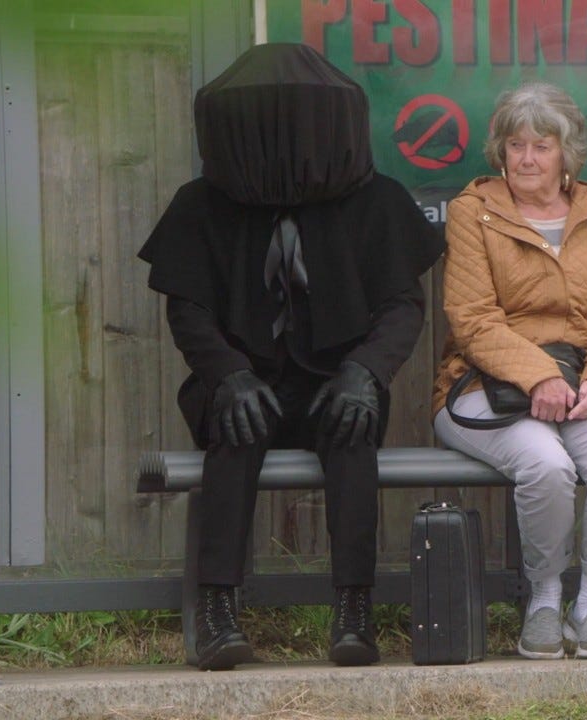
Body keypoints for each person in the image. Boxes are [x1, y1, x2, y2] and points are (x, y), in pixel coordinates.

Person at [139, 44, 444, 670]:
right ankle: (217, 610)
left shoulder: (375, 200)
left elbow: (401, 307)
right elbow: (188, 310)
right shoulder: (202, 205)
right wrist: (228, 375)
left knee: (352, 433)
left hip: (336, 379)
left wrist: (365, 372)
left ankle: (354, 609)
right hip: (242, 379)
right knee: (234, 430)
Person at [432, 82, 587, 660]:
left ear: (566, 152)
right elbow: (472, 319)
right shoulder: (472, 212)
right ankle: (546, 598)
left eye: (541, 146)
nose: (526, 159)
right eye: (515, 145)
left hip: (582, 382)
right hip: (483, 387)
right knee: (547, 465)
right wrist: (537, 377)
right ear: (500, 151)